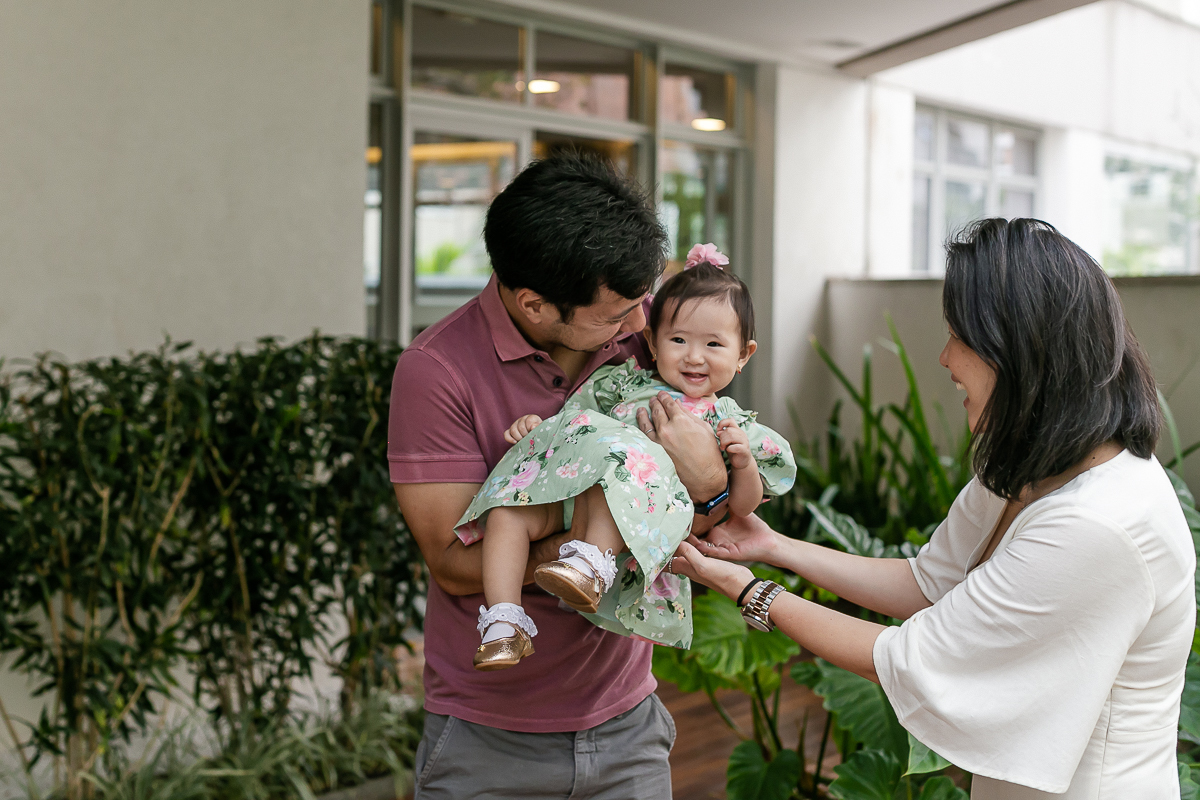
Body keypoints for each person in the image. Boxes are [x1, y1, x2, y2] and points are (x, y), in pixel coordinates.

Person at [671, 218, 1195, 798]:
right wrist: (775, 547)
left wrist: (748, 590)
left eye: (959, 336)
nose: (944, 358)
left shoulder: (1098, 524)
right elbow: (926, 582)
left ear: (1019, 349)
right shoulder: (1034, 464)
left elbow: (904, 659)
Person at [388, 154, 727, 799]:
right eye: (616, 315)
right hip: (489, 738)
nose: (639, 325)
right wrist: (588, 550)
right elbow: (455, 563)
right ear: (534, 305)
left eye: (641, 303)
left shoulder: (650, 339)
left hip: (629, 724)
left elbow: (708, 509)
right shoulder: (437, 371)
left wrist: (708, 482)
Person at [455, 245, 796, 669]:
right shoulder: (620, 384)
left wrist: (741, 465)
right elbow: (574, 423)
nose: (694, 356)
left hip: (625, 515)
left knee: (620, 468)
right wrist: (536, 428)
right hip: (569, 496)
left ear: (743, 354)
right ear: (652, 342)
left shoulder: (731, 424)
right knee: (509, 513)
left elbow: (740, 508)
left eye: (713, 343)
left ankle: (590, 566)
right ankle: (505, 624)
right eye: (678, 340)